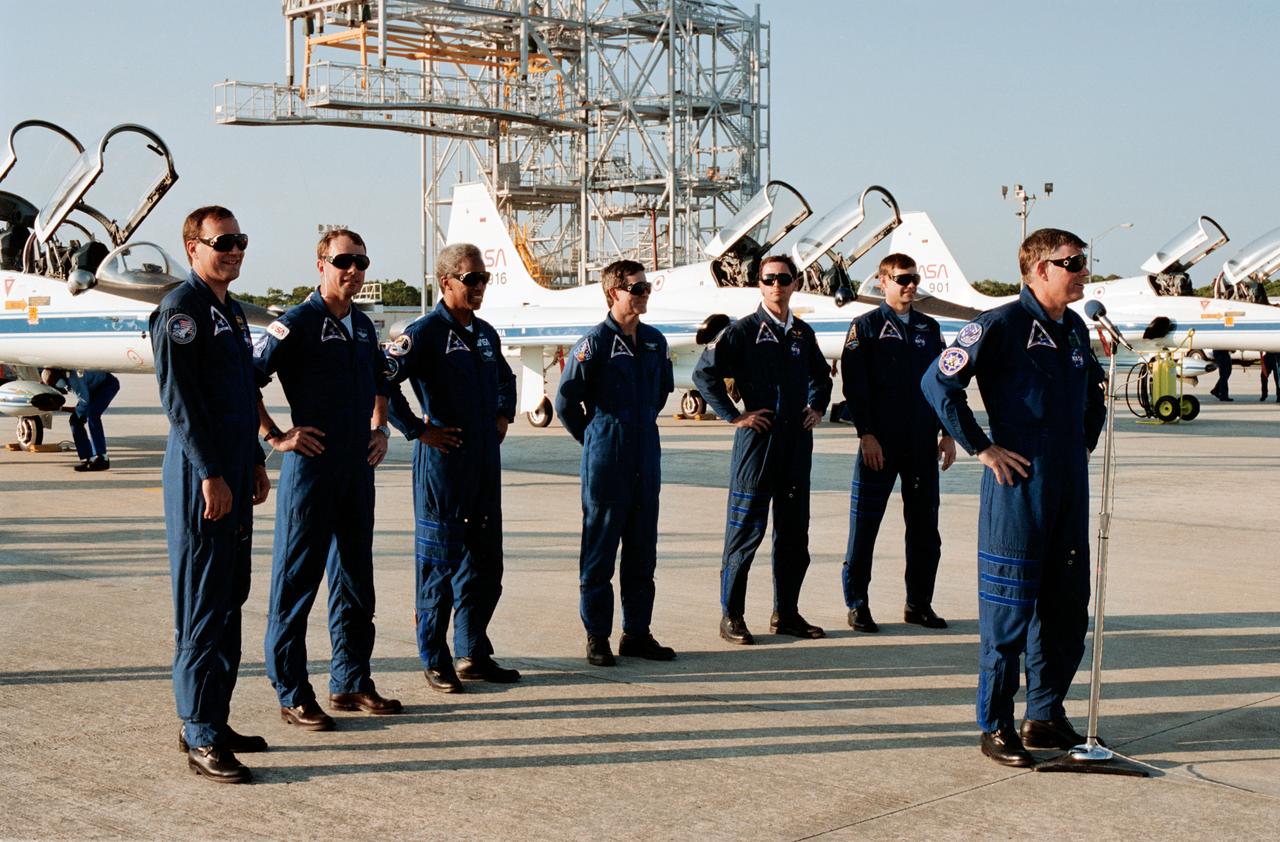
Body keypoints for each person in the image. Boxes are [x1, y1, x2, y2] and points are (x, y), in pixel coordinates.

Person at [922, 229, 1106, 768]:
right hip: (1018, 487)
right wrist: (981, 446)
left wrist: (1081, 444)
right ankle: (997, 723)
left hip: (1068, 485)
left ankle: (1045, 714)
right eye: (1072, 263)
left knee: (1068, 609)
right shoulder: (998, 325)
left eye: (1083, 262)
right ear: (1039, 268)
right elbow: (938, 384)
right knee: (1008, 613)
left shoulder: (1074, 329)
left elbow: (1091, 392)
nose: (1082, 271)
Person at [253, 229, 409, 732]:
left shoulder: (363, 327)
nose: (354, 270)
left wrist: (380, 427)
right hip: (311, 470)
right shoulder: (293, 323)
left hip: (355, 471)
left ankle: (351, 680)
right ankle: (293, 691)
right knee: (297, 584)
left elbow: (384, 382)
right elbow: (245, 380)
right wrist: (276, 436)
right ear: (321, 263)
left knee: (355, 583)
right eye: (344, 260)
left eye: (362, 261)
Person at [151, 206, 270, 784]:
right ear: (193, 246)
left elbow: (242, 392)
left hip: (230, 470)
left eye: (240, 241)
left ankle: (214, 719)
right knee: (202, 603)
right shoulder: (182, 310)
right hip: (200, 477)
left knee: (230, 597)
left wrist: (252, 460)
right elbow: (180, 401)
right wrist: (211, 473)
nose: (235, 251)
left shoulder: (232, 313)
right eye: (223, 242)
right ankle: (197, 731)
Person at [384, 242, 520, 692]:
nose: (480, 286)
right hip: (442, 465)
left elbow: (505, 378)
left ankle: (472, 652)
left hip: (483, 462)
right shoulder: (422, 334)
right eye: (471, 279)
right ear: (446, 282)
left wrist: (503, 413)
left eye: (483, 279)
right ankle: (434, 656)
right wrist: (416, 430)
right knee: (438, 566)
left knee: (485, 564)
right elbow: (381, 378)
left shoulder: (484, 334)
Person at [692, 253, 832, 645]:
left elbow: (822, 377)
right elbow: (704, 374)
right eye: (769, 279)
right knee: (745, 532)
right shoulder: (743, 331)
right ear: (759, 283)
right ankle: (731, 615)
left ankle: (786, 613)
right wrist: (734, 416)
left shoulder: (803, 334)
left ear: (795, 283)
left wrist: (817, 407)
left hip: (795, 445)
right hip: (758, 444)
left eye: (783, 279)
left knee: (793, 535)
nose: (776, 286)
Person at [554, 259, 677, 667]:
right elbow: (567, 403)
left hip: (646, 452)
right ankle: (597, 636)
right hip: (607, 456)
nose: (644, 295)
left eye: (647, 288)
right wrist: (596, 438)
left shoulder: (656, 342)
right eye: (637, 289)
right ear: (614, 293)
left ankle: (637, 633)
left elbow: (662, 392)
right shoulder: (594, 345)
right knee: (600, 550)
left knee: (643, 550)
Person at [840, 253, 955, 633]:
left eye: (914, 279)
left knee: (925, 530)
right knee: (865, 528)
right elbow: (855, 387)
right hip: (880, 444)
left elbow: (942, 384)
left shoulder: (929, 328)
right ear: (883, 281)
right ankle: (858, 604)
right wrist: (866, 434)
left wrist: (948, 433)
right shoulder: (866, 327)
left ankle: (918, 603)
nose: (910, 285)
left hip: (921, 443)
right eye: (902, 279)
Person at [41, 368, 120, 471]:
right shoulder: (61, 376)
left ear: (60, 376)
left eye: (55, 382)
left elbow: (84, 403)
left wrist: (59, 408)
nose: (56, 385)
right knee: (75, 421)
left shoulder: (74, 380)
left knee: (93, 415)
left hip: (107, 385)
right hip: (90, 389)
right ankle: (87, 459)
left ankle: (102, 458)